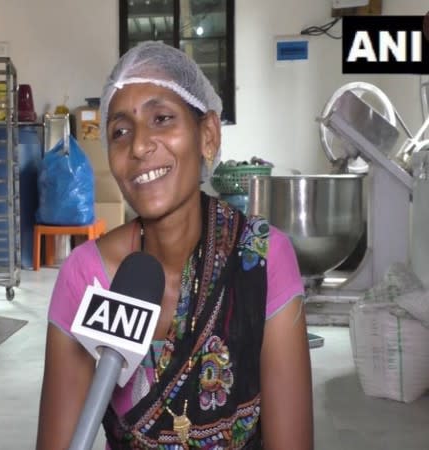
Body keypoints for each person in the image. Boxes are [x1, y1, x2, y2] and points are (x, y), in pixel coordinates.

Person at [37, 41, 313, 450]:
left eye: (162, 118)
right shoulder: (87, 277)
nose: (139, 146)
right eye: (121, 131)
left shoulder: (262, 259)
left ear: (208, 134)